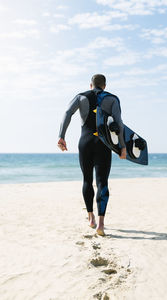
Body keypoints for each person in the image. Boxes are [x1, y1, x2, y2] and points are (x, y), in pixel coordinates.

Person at [58, 74, 126, 236]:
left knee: (87, 180)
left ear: (91, 85)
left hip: (85, 143)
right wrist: (122, 147)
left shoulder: (81, 96)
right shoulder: (113, 99)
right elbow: (119, 123)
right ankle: (101, 224)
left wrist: (61, 136)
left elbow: (67, 113)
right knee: (102, 182)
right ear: (105, 85)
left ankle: (90, 217)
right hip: (104, 145)